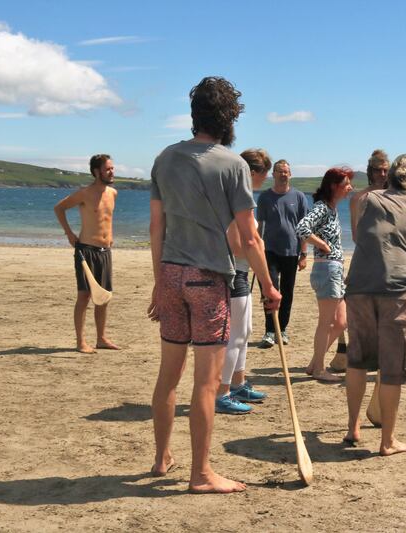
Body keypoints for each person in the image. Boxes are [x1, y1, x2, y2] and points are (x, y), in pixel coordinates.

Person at [146, 76, 281, 493]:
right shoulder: (232, 164)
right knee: (206, 382)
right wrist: (269, 284)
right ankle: (201, 474)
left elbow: (157, 225)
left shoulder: (165, 158)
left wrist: (157, 281)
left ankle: (160, 457)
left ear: (194, 115)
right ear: (229, 117)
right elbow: (250, 237)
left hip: (170, 273)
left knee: (168, 376)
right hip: (208, 280)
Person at [344, 154, 406, 455]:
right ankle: (387, 440)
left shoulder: (363, 199)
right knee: (393, 366)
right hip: (394, 288)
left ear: (389, 176)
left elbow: (358, 237)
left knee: (357, 358)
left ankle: (352, 428)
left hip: (358, 285)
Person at [215, 148, 272, 414]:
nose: (266, 178)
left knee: (245, 333)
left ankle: (238, 383)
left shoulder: (241, 197)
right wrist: (256, 251)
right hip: (234, 271)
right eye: (264, 173)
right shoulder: (236, 198)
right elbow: (238, 244)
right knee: (235, 336)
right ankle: (221, 392)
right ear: (251, 172)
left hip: (243, 271)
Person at [53, 154, 120, 354]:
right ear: (96, 172)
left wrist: (111, 237)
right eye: (108, 169)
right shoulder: (84, 193)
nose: (112, 172)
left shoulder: (113, 193)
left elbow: (107, 218)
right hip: (86, 250)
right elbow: (59, 208)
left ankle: (101, 338)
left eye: (112, 168)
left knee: (104, 297)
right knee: (84, 296)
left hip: (105, 251)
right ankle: (81, 341)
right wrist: (69, 233)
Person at [295, 167, 354, 382]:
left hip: (334, 269)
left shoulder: (332, 208)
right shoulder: (321, 208)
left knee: (341, 321)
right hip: (327, 269)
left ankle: (314, 362)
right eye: (346, 184)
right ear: (334, 186)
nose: (350, 188)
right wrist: (321, 244)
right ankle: (319, 369)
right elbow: (302, 227)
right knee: (326, 322)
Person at [255, 159, 309, 348]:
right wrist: (256, 251)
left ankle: (282, 330)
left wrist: (304, 254)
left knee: (287, 292)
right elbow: (259, 226)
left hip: (291, 252)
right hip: (269, 250)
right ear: (273, 174)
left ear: (290, 174)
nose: (283, 174)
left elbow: (304, 228)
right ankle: (270, 331)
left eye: (286, 171)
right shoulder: (264, 197)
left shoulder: (299, 197)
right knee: (270, 291)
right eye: (280, 171)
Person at [350, 149, 389, 242]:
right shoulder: (358, 198)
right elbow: (355, 235)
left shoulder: (395, 195)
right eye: (378, 170)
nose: (382, 174)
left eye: (385, 170)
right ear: (371, 172)